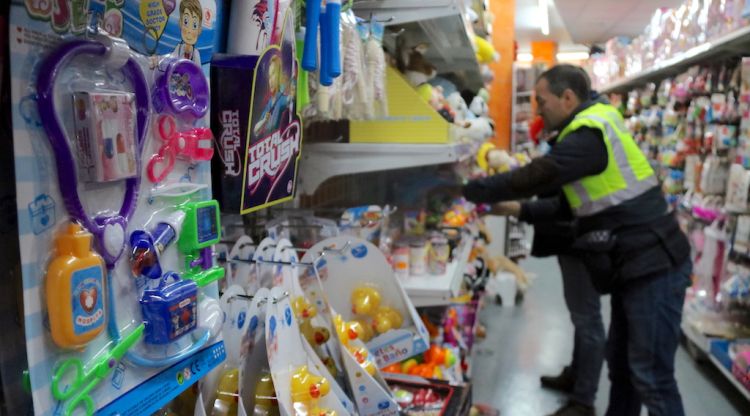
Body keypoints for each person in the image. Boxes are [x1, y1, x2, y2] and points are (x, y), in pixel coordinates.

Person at [464, 64, 691, 416]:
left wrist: (469, 189)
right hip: (634, 266)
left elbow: (537, 176)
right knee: (624, 367)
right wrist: (512, 210)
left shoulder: (588, 132)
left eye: (542, 101)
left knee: (651, 376)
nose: (538, 109)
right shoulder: (591, 126)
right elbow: (569, 206)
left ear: (567, 98)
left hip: (654, 265)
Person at [172, 0, 204, 64]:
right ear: (180, 23)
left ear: (199, 29)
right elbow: (171, 62)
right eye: (186, 22)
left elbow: (198, 72)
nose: (189, 31)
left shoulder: (195, 53)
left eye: (194, 25)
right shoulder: (178, 48)